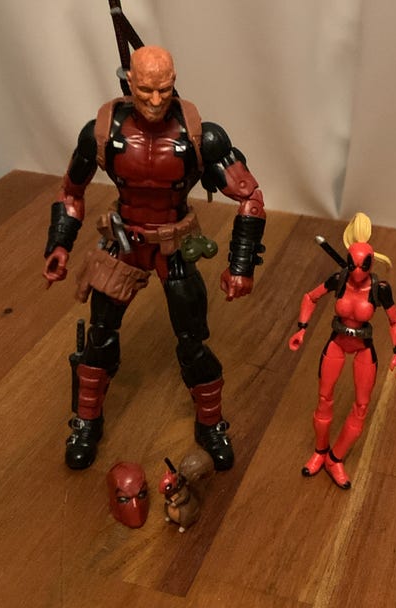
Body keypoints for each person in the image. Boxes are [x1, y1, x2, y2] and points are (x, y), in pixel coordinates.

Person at [43, 46, 266, 472]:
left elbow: (250, 198)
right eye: (146, 90)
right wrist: (58, 245)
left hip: (173, 246)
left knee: (192, 339)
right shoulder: (102, 133)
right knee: (100, 334)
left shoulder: (201, 137)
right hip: (123, 244)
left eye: (164, 89)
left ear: (174, 81)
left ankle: (210, 423)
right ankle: (87, 421)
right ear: (129, 82)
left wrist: (241, 265)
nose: (156, 100)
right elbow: (70, 192)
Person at [288, 213, 396, 489]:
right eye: (352, 263)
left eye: (363, 264)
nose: (357, 270)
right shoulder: (339, 279)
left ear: (371, 262)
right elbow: (310, 297)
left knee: (361, 406)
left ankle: (335, 458)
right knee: (324, 398)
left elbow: (395, 320)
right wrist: (302, 328)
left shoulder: (380, 289)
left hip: (364, 347)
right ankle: (320, 451)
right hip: (337, 342)